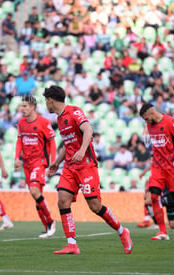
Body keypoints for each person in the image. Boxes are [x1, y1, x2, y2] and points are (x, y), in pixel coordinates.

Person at [43, 85, 132, 255]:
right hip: (70, 166)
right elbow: (68, 144)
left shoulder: (74, 111)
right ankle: (72, 244)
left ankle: (122, 231)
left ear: (50, 100)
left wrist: (82, 150)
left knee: (95, 206)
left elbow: (88, 130)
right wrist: (56, 162)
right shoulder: (60, 120)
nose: (45, 105)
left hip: (86, 165)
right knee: (63, 200)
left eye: (45, 101)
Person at [139, 103, 174, 240]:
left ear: (152, 114)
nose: (146, 122)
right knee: (153, 196)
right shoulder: (149, 125)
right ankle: (163, 231)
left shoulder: (170, 122)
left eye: (146, 119)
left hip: (172, 168)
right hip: (158, 168)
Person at [14, 96, 57, 238]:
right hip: (26, 164)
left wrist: (53, 162)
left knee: (34, 190)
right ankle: (47, 228)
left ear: (33, 107)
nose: (22, 109)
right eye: (22, 106)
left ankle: (51, 222)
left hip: (39, 162)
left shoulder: (43, 122)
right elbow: (20, 141)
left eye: (25, 106)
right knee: (37, 197)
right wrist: (16, 158)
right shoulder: (21, 123)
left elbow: (51, 142)